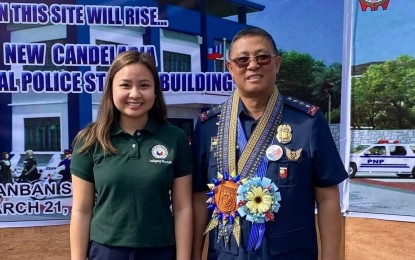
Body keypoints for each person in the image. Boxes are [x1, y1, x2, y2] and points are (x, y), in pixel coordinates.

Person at [192, 27, 348, 260]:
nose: (253, 65)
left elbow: (327, 198)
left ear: (277, 64)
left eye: (262, 57)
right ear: (231, 68)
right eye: (242, 60)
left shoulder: (308, 123)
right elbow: (198, 199)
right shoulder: (208, 127)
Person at [70, 51, 193, 260]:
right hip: (106, 252)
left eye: (144, 85)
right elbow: (81, 210)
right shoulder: (89, 139)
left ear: (155, 92)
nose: (135, 94)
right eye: (125, 85)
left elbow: (183, 208)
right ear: (110, 90)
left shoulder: (175, 138)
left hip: (161, 251)